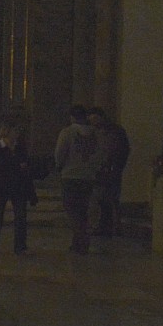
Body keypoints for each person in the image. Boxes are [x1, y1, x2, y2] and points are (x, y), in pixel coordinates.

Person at [53, 105, 101, 255]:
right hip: (88, 176)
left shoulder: (67, 133)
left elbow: (60, 153)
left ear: (72, 117)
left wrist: (59, 166)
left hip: (70, 175)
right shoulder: (96, 134)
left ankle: (82, 240)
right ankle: (78, 243)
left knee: (72, 211)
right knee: (83, 210)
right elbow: (100, 154)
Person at [0, 125, 36, 253]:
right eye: (14, 131)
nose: (16, 134)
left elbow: (25, 167)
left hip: (18, 187)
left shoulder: (19, 148)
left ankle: (20, 246)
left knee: (20, 217)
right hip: (1, 187)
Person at [89, 106, 132, 241]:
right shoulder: (96, 132)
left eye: (95, 119)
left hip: (111, 169)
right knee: (101, 200)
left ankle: (113, 227)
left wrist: (115, 166)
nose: (94, 123)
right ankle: (103, 226)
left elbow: (120, 150)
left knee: (111, 199)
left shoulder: (115, 132)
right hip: (100, 170)